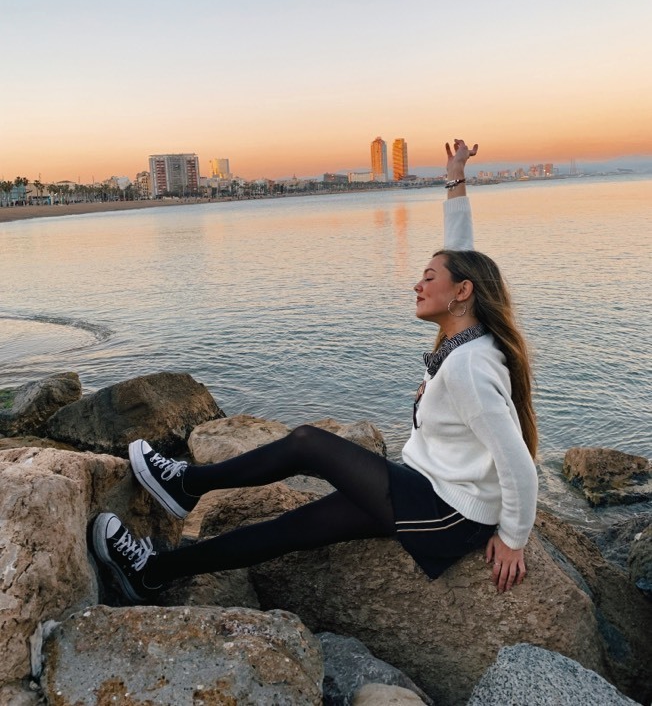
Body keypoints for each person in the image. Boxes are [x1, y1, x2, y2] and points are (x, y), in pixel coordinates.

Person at [91, 139, 538, 602]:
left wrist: (513, 538)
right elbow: (461, 252)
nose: (417, 284)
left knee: (309, 442)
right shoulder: (469, 330)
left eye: (429, 277)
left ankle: (185, 485)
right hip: (424, 489)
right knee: (297, 527)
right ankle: (156, 571)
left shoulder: (469, 365)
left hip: (446, 514)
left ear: (462, 292)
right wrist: (455, 179)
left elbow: (518, 465)